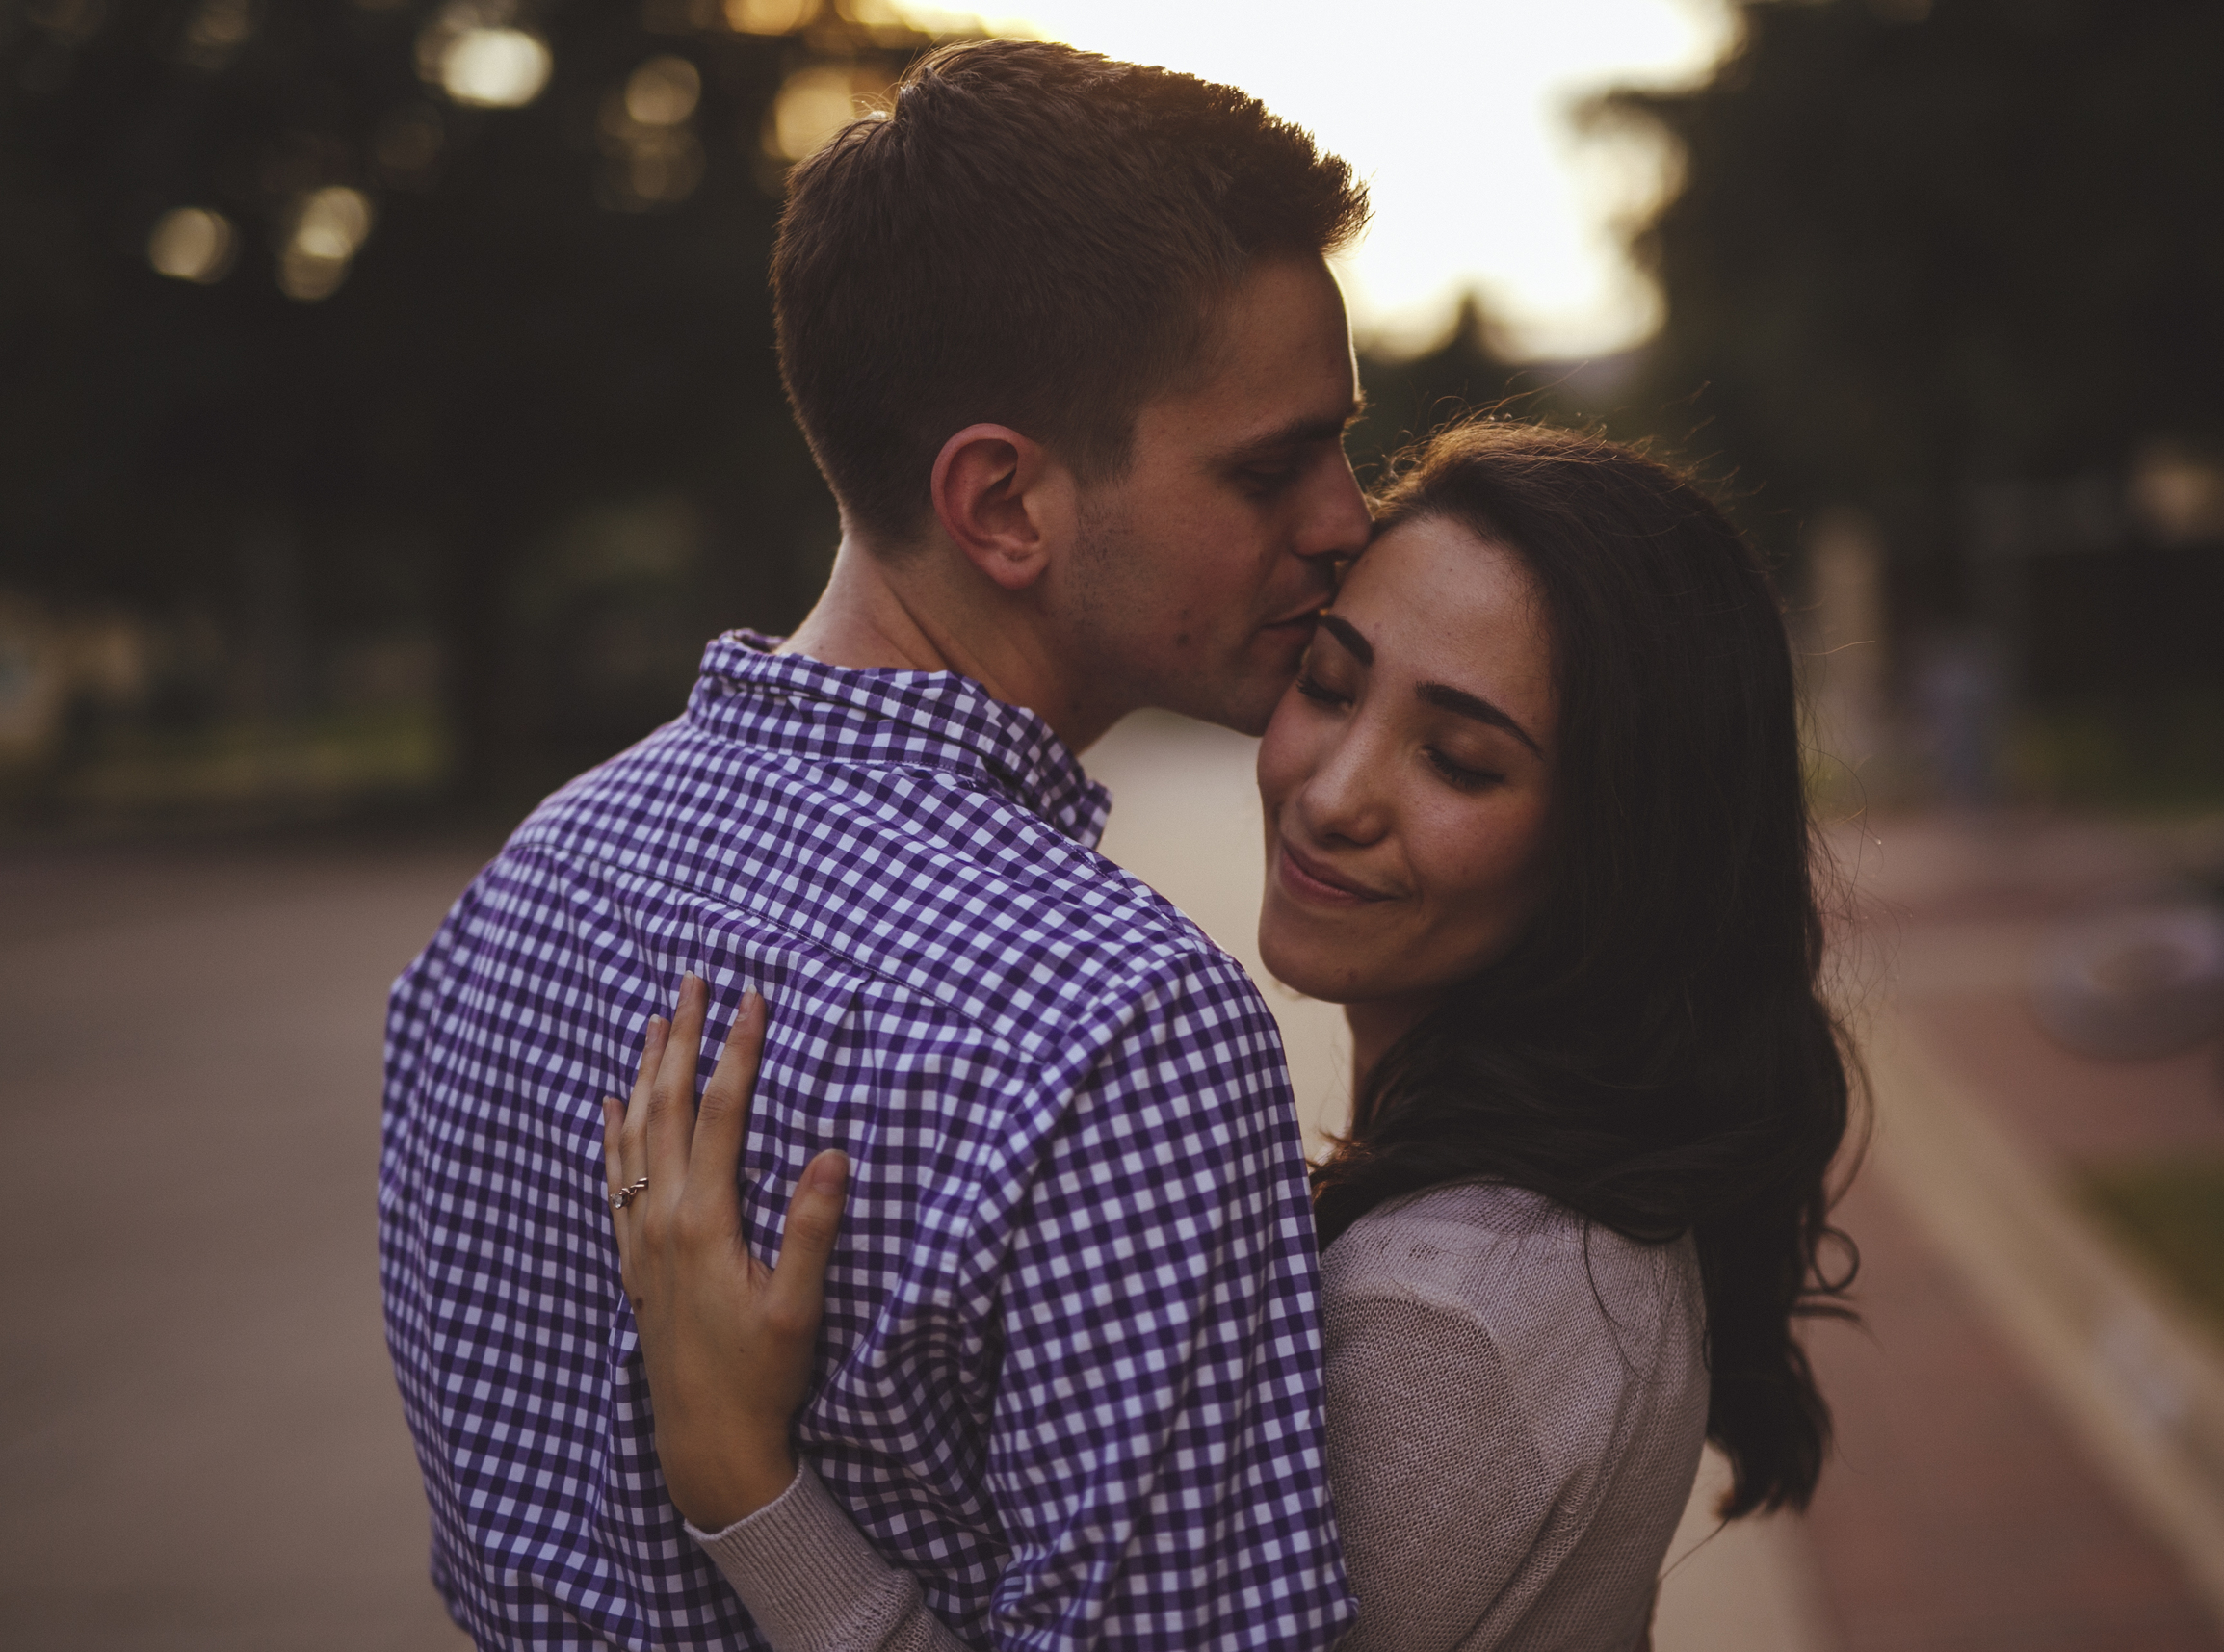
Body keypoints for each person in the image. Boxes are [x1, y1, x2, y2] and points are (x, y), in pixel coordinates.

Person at [379, 39, 1375, 1651]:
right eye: (1270, 465)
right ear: (1001, 506)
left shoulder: (523, 893)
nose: (1347, 519)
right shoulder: (1119, 1027)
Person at [606, 422, 1859, 1652]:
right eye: (1330, 683)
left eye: (1460, 761)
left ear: (1619, 851)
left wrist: (742, 1482)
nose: (1331, 793)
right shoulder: (1543, 1212)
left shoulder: (1452, 1321)